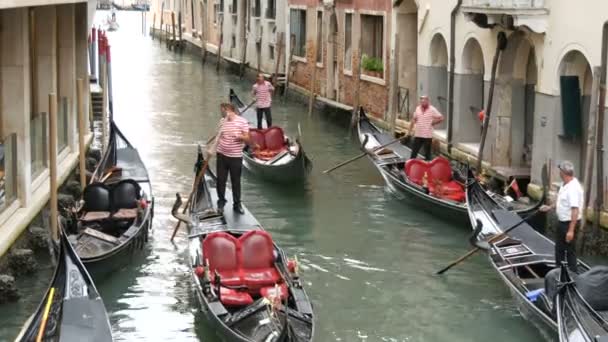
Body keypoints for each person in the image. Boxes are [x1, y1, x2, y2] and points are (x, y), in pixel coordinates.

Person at [540, 161, 583, 272]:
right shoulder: (565, 185)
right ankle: (559, 273)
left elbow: (575, 209)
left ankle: (573, 275)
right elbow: (562, 202)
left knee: (570, 251)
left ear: (563, 172)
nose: (559, 172)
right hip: (562, 222)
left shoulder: (573, 188)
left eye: (560, 170)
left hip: (569, 224)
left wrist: (571, 231)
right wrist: (549, 207)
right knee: (559, 249)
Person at [215, 103, 253, 214]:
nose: (221, 113)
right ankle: (221, 203)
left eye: (223, 110)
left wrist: (239, 136)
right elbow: (219, 137)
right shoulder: (222, 121)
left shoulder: (242, 121)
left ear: (229, 110)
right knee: (220, 180)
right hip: (221, 155)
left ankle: (237, 204)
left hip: (235, 157)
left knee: (235, 181)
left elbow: (248, 139)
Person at [408, 95, 444, 160]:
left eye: (424, 101)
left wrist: (434, 122)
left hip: (427, 135)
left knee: (427, 153)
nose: (423, 102)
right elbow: (413, 119)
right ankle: (411, 165)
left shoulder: (432, 109)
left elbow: (441, 118)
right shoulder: (417, 108)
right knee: (414, 152)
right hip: (418, 134)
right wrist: (409, 131)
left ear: (428, 101)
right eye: (421, 101)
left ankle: (428, 166)